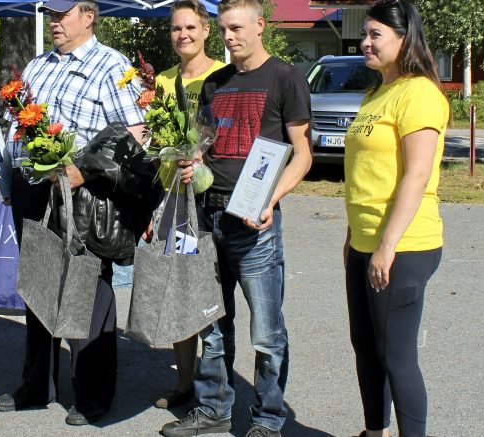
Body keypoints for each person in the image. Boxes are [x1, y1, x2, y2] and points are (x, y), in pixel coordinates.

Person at [0, 0, 151, 427]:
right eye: (50, 14)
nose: (54, 22)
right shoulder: (38, 66)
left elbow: (134, 136)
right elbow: (18, 124)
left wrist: (83, 168)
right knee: (38, 284)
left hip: (82, 191)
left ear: (88, 15)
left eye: (62, 14)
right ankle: (36, 385)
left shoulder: (112, 65)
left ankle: (93, 393)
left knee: (87, 289)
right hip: (33, 189)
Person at [162, 1, 313, 436]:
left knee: (266, 334)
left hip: (254, 220)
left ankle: (267, 418)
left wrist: (271, 200)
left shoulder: (286, 77)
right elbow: (206, 145)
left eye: (237, 28)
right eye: (224, 29)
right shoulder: (215, 83)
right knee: (210, 322)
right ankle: (213, 410)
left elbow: (301, 156)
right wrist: (192, 163)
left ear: (260, 26)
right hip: (208, 215)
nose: (229, 37)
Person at [344, 1, 448, 436]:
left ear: (403, 40)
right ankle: (375, 431)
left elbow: (417, 175)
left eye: (376, 35)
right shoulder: (377, 93)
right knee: (367, 349)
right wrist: (355, 236)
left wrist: (386, 245)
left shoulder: (419, 93)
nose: (365, 42)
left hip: (403, 245)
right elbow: (367, 173)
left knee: (397, 355)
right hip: (365, 242)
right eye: (365, 34)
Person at [152, 0, 226, 411]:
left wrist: (201, 161)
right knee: (179, 289)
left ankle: (215, 386)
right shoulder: (162, 81)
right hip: (172, 201)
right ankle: (184, 382)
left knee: (211, 294)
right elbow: (150, 141)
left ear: (206, 30)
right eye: (177, 29)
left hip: (210, 198)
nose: (183, 35)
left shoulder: (224, 76)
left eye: (191, 28)